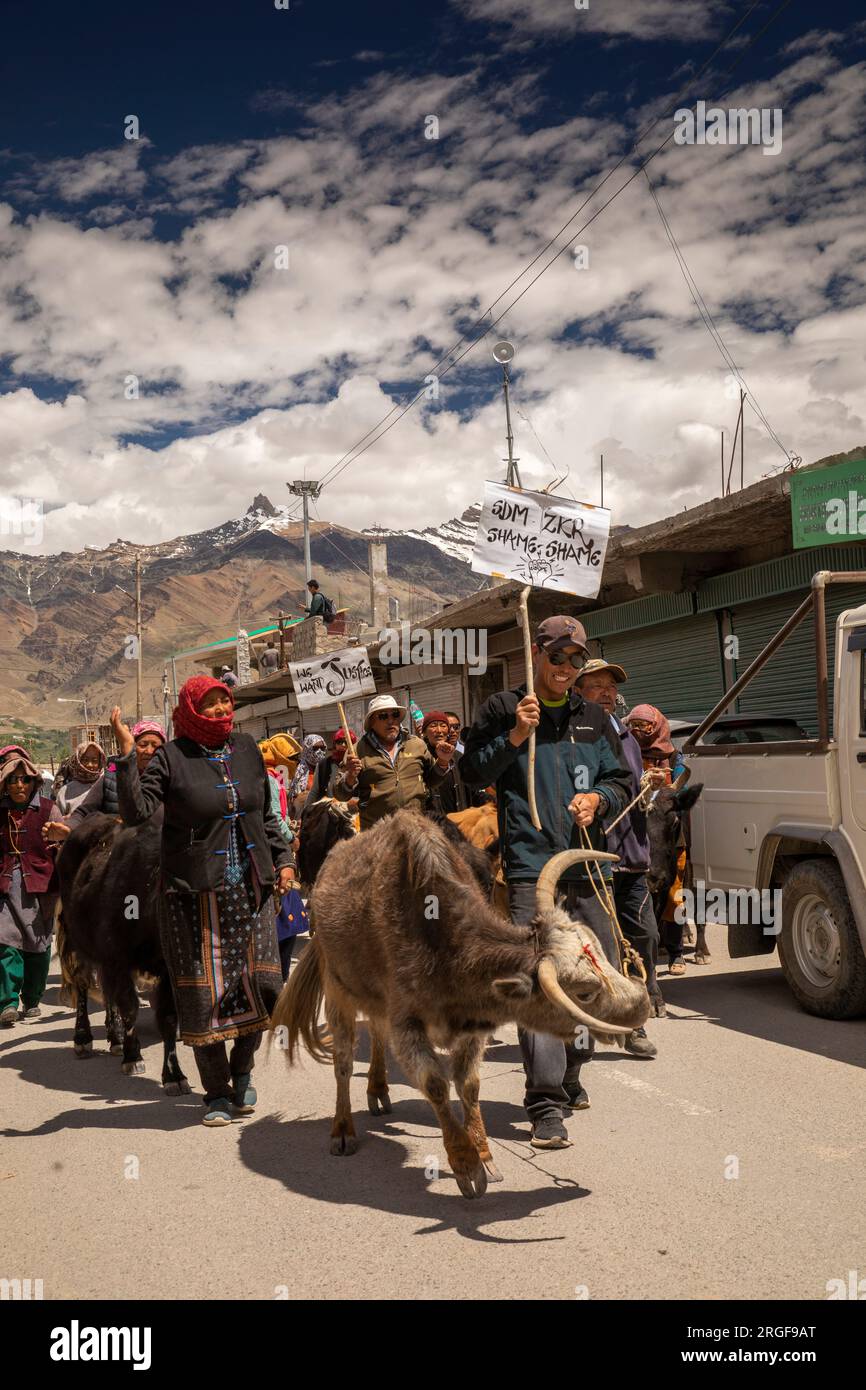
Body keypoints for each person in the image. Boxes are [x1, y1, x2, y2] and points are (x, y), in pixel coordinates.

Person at [460, 615, 632, 1150]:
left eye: (576, 659)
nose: (567, 668)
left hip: (588, 868)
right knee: (539, 984)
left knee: (593, 980)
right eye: (558, 657)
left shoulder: (594, 717)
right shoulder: (500, 709)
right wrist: (515, 735)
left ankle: (574, 1066)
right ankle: (545, 1103)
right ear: (537, 652)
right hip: (531, 872)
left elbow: (621, 778)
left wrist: (598, 800)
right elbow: (471, 774)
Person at [111, 676, 295, 1127]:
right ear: (191, 709)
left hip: (251, 891)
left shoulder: (248, 749)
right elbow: (135, 812)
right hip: (191, 896)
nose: (218, 710)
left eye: (223, 702)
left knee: (265, 987)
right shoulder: (172, 757)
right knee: (203, 997)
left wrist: (285, 860)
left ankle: (243, 1070)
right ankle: (215, 1093)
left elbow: (264, 814)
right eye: (209, 703)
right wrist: (127, 756)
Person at [576, 660, 665, 1040]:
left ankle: (644, 995)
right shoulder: (576, 736)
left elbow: (630, 788)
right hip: (598, 856)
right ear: (578, 691)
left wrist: (654, 781)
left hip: (633, 855)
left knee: (645, 935)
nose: (607, 693)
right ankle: (631, 1026)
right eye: (597, 686)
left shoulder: (627, 736)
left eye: (611, 686)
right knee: (609, 944)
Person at [0, 749, 64, 1026]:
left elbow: (64, 846)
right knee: (6, 943)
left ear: (34, 782)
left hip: (40, 886)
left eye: (24, 780)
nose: (19, 785)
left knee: (38, 945)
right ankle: (8, 1002)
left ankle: (33, 998)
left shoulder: (50, 809)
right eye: (12, 780)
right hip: (4, 885)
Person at [625, 704, 689, 975]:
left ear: (657, 727)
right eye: (634, 725)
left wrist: (668, 789)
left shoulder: (674, 755)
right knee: (638, 896)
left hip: (669, 836)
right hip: (636, 835)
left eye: (644, 726)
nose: (638, 731)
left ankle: (676, 953)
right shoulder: (626, 751)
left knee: (674, 895)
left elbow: (681, 783)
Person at [335, 695, 454, 831]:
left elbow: (432, 781)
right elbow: (340, 795)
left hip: (416, 831)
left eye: (395, 715)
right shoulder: (356, 751)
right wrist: (350, 776)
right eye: (383, 716)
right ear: (372, 722)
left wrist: (443, 762)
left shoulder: (416, 745)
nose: (390, 720)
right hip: (377, 836)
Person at [48, 721, 167, 839]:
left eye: (155, 745)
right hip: (117, 852)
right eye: (143, 744)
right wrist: (68, 828)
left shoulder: (170, 781)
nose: (149, 751)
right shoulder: (111, 778)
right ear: (132, 747)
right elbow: (84, 811)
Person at [53, 741, 106, 816]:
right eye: (85, 760)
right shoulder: (65, 791)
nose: (89, 765)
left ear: (100, 762)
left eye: (94, 761)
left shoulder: (107, 786)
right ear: (78, 761)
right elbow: (58, 819)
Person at [288, 735, 328, 821]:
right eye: (315, 748)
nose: (319, 751)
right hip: (305, 820)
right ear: (307, 749)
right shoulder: (299, 773)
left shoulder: (328, 769)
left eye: (322, 748)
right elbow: (294, 802)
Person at [310, 729, 358, 802]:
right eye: (339, 742)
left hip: (352, 809)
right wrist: (307, 810)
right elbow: (314, 791)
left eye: (347, 742)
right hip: (329, 809)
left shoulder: (358, 763)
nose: (343, 745)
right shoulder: (323, 765)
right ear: (334, 744)